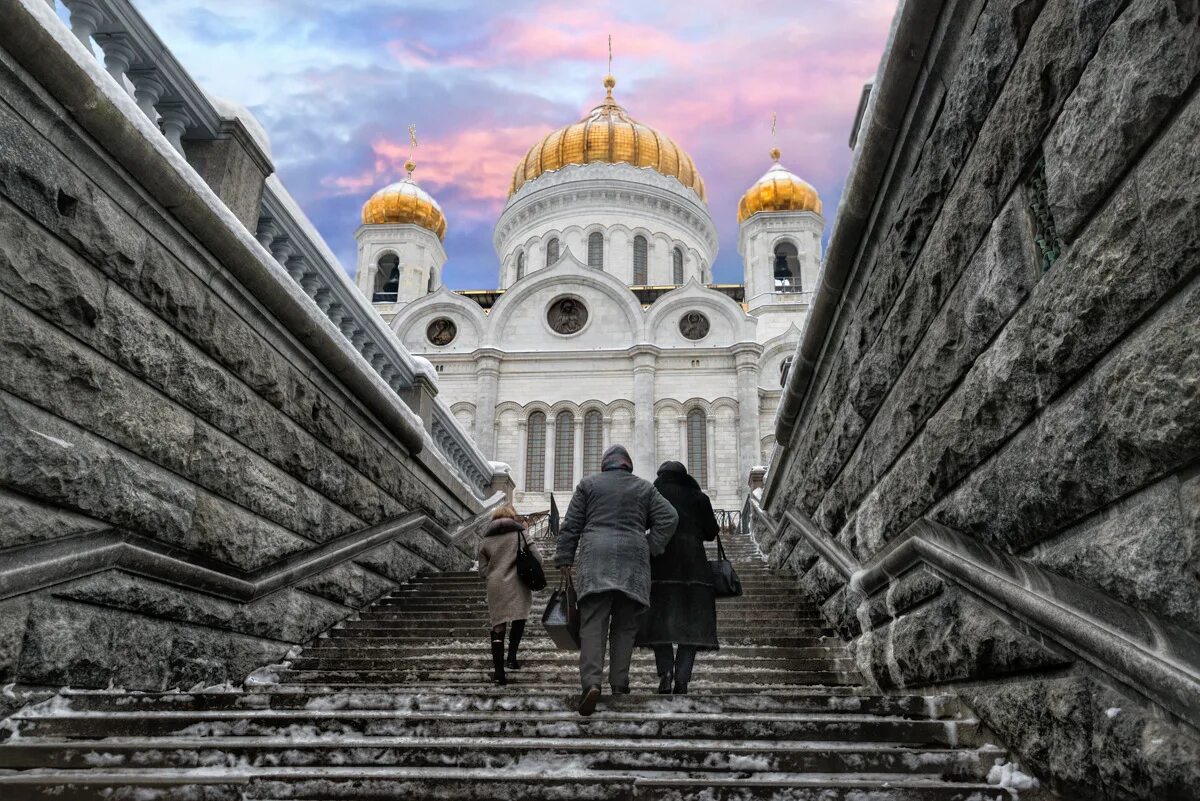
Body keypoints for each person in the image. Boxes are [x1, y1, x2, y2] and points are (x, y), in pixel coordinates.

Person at [554, 445, 678, 716]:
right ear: (628, 466)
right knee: (624, 628)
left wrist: (564, 558)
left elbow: (571, 525)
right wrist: (650, 545)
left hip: (595, 559)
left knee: (592, 625)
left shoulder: (588, 485)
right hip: (632, 561)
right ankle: (620, 684)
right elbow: (670, 517)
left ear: (604, 465)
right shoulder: (643, 488)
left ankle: (591, 683)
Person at [637, 461, 720, 695]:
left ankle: (666, 673)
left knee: (659, 624)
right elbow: (712, 532)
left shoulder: (653, 496)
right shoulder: (698, 497)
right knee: (692, 624)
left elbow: (640, 524)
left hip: (659, 567)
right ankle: (682, 679)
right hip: (693, 569)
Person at [477, 504, 541, 686]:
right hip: (518, 583)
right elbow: (538, 559)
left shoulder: (485, 540)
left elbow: (482, 571)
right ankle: (512, 658)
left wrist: (495, 569)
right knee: (519, 618)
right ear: (512, 518)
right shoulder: (521, 534)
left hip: (495, 585)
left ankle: (499, 673)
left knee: (498, 626)